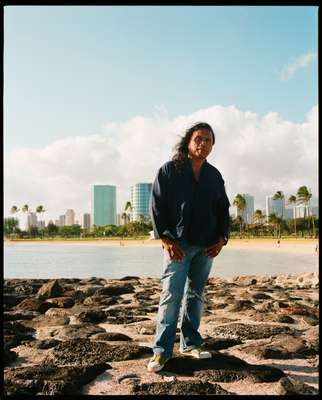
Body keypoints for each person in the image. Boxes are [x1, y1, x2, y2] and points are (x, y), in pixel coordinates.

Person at [147, 122, 230, 373]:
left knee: (196, 295)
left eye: (208, 140)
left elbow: (223, 209)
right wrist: (166, 240)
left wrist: (222, 239)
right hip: (178, 246)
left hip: (206, 246)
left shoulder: (214, 175)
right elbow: (157, 206)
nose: (202, 143)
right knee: (171, 295)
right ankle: (161, 351)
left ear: (212, 146)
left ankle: (190, 343)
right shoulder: (169, 170)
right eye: (198, 138)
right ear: (188, 142)